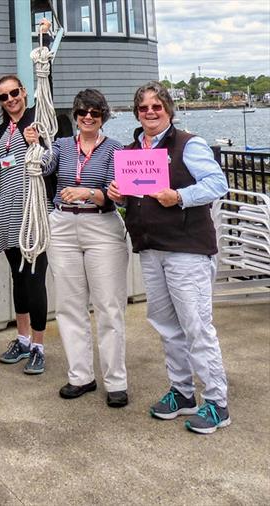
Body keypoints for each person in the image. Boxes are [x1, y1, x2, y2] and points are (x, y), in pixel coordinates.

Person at [108, 81, 230, 434]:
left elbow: (217, 184)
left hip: (187, 249)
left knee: (196, 326)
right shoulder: (132, 151)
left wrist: (178, 196)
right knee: (166, 326)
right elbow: (132, 197)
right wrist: (118, 194)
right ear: (137, 112)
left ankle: (217, 402)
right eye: (143, 107)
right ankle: (182, 392)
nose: (150, 112)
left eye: (156, 107)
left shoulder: (189, 145)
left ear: (169, 110)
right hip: (151, 249)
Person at [42, 89, 128, 407]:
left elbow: (113, 195)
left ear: (103, 116)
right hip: (62, 226)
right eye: (82, 112)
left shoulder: (115, 149)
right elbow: (43, 167)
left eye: (94, 112)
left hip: (101, 226)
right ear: (75, 116)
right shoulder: (63, 145)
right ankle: (80, 376)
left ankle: (116, 380)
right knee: (69, 305)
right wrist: (35, 140)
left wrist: (87, 193)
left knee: (108, 306)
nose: (87, 117)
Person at [0, 18, 52, 375]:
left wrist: (42, 37)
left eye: (15, 93)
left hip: (34, 213)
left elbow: (50, 161)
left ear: (24, 93)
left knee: (35, 278)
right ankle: (24, 338)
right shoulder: (1, 129)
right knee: (17, 278)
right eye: (4, 96)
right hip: (9, 212)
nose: (11, 100)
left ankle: (40, 347)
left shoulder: (38, 120)